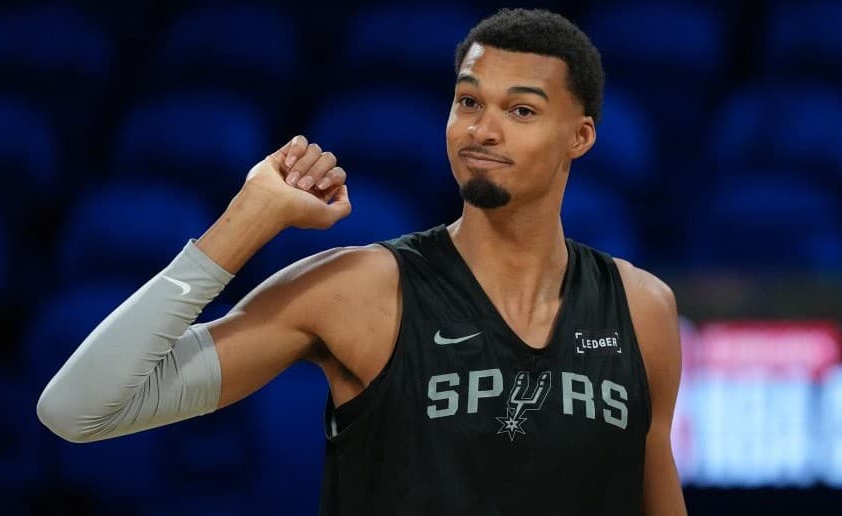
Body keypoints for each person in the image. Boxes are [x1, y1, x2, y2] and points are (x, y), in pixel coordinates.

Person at [37, 8, 686, 515]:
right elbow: (79, 409)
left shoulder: (642, 308)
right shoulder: (360, 290)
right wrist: (246, 222)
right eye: (468, 101)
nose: (482, 130)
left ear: (581, 135)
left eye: (521, 110)